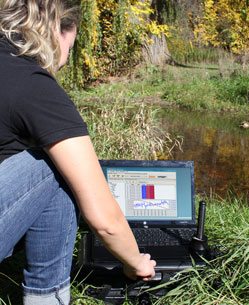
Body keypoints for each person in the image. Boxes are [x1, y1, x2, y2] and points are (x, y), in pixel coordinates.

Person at [0, 1, 156, 304]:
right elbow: (104, 220)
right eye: (72, 44)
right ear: (58, 30)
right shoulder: (32, 84)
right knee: (55, 165)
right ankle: (47, 296)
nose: (65, 60)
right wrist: (135, 263)